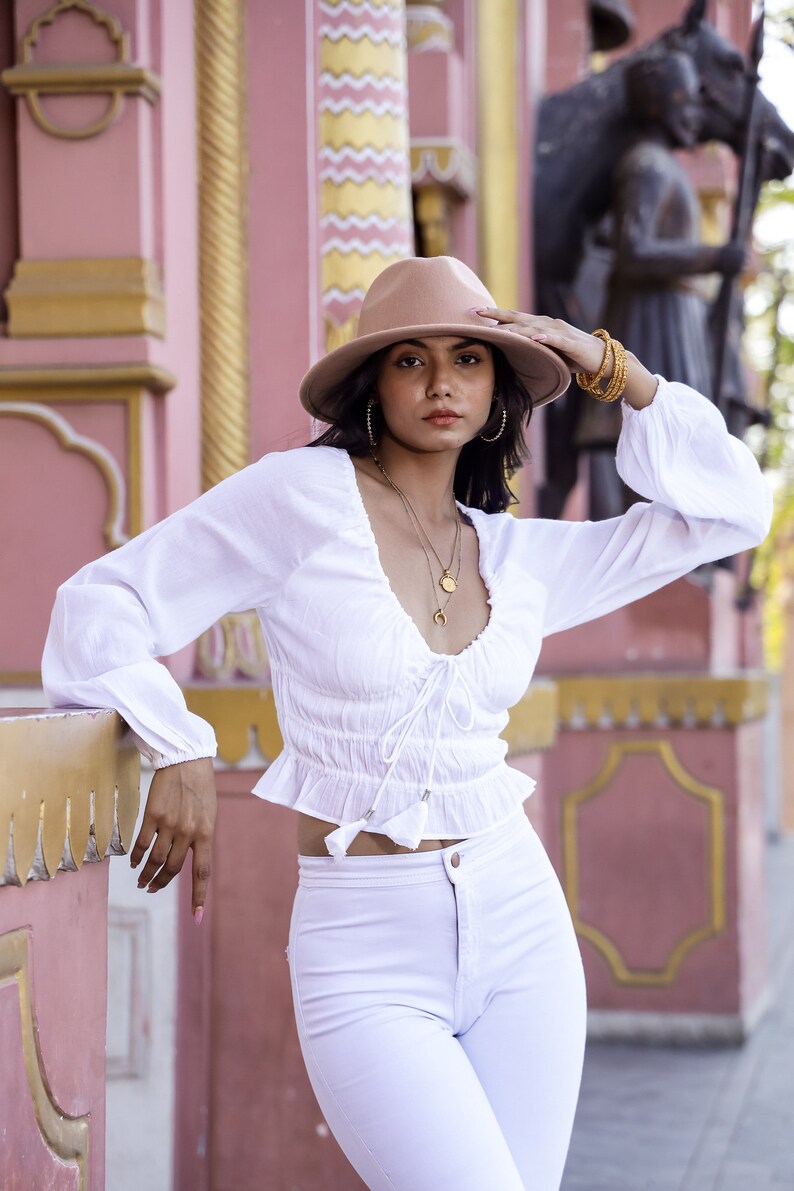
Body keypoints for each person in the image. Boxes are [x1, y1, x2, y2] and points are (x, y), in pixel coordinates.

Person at [42, 256, 771, 1191]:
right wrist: (177, 739)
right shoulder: (298, 498)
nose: (440, 382)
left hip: (521, 923)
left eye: (469, 358)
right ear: (371, 383)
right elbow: (96, 607)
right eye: (410, 360)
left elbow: (733, 512)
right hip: (366, 947)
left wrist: (608, 364)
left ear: (498, 385)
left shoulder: (515, 555)